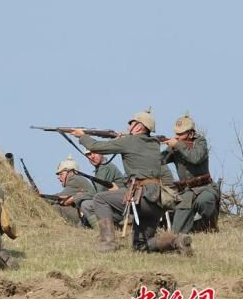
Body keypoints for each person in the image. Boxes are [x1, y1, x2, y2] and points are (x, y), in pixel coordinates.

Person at [70, 109, 193, 255]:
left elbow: (96, 147)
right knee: (141, 246)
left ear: (139, 127)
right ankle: (177, 241)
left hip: (141, 197)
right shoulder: (154, 143)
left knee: (100, 199)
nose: (128, 127)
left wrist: (82, 136)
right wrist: (121, 140)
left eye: (131, 124)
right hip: (158, 200)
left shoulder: (129, 141)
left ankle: (106, 244)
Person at [162, 113, 219, 233]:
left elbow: (196, 158)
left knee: (205, 200)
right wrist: (155, 146)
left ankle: (210, 226)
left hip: (205, 187)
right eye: (176, 133)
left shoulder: (200, 142)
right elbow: (160, 161)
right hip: (186, 191)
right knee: (177, 232)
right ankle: (197, 228)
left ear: (191, 133)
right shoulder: (176, 146)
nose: (177, 136)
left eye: (181, 134)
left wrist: (177, 145)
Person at [79, 150, 124, 230]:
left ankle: (102, 232)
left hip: (120, 209)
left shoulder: (105, 167)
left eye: (94, 152)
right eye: (88, 154)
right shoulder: (101, 168)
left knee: (86, 205)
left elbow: (97, 192)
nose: (92, 156)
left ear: (102, 152)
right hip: (116, 206)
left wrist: (75, 199)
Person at [50, 154, 95, 225]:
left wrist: (40, 198)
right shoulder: (78, 179)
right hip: (88, 213)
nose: (58, 177)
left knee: (55, 207)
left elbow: (60, 197)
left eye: (61, 174)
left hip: (86, 216)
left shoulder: (74, 179)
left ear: (70, 172)